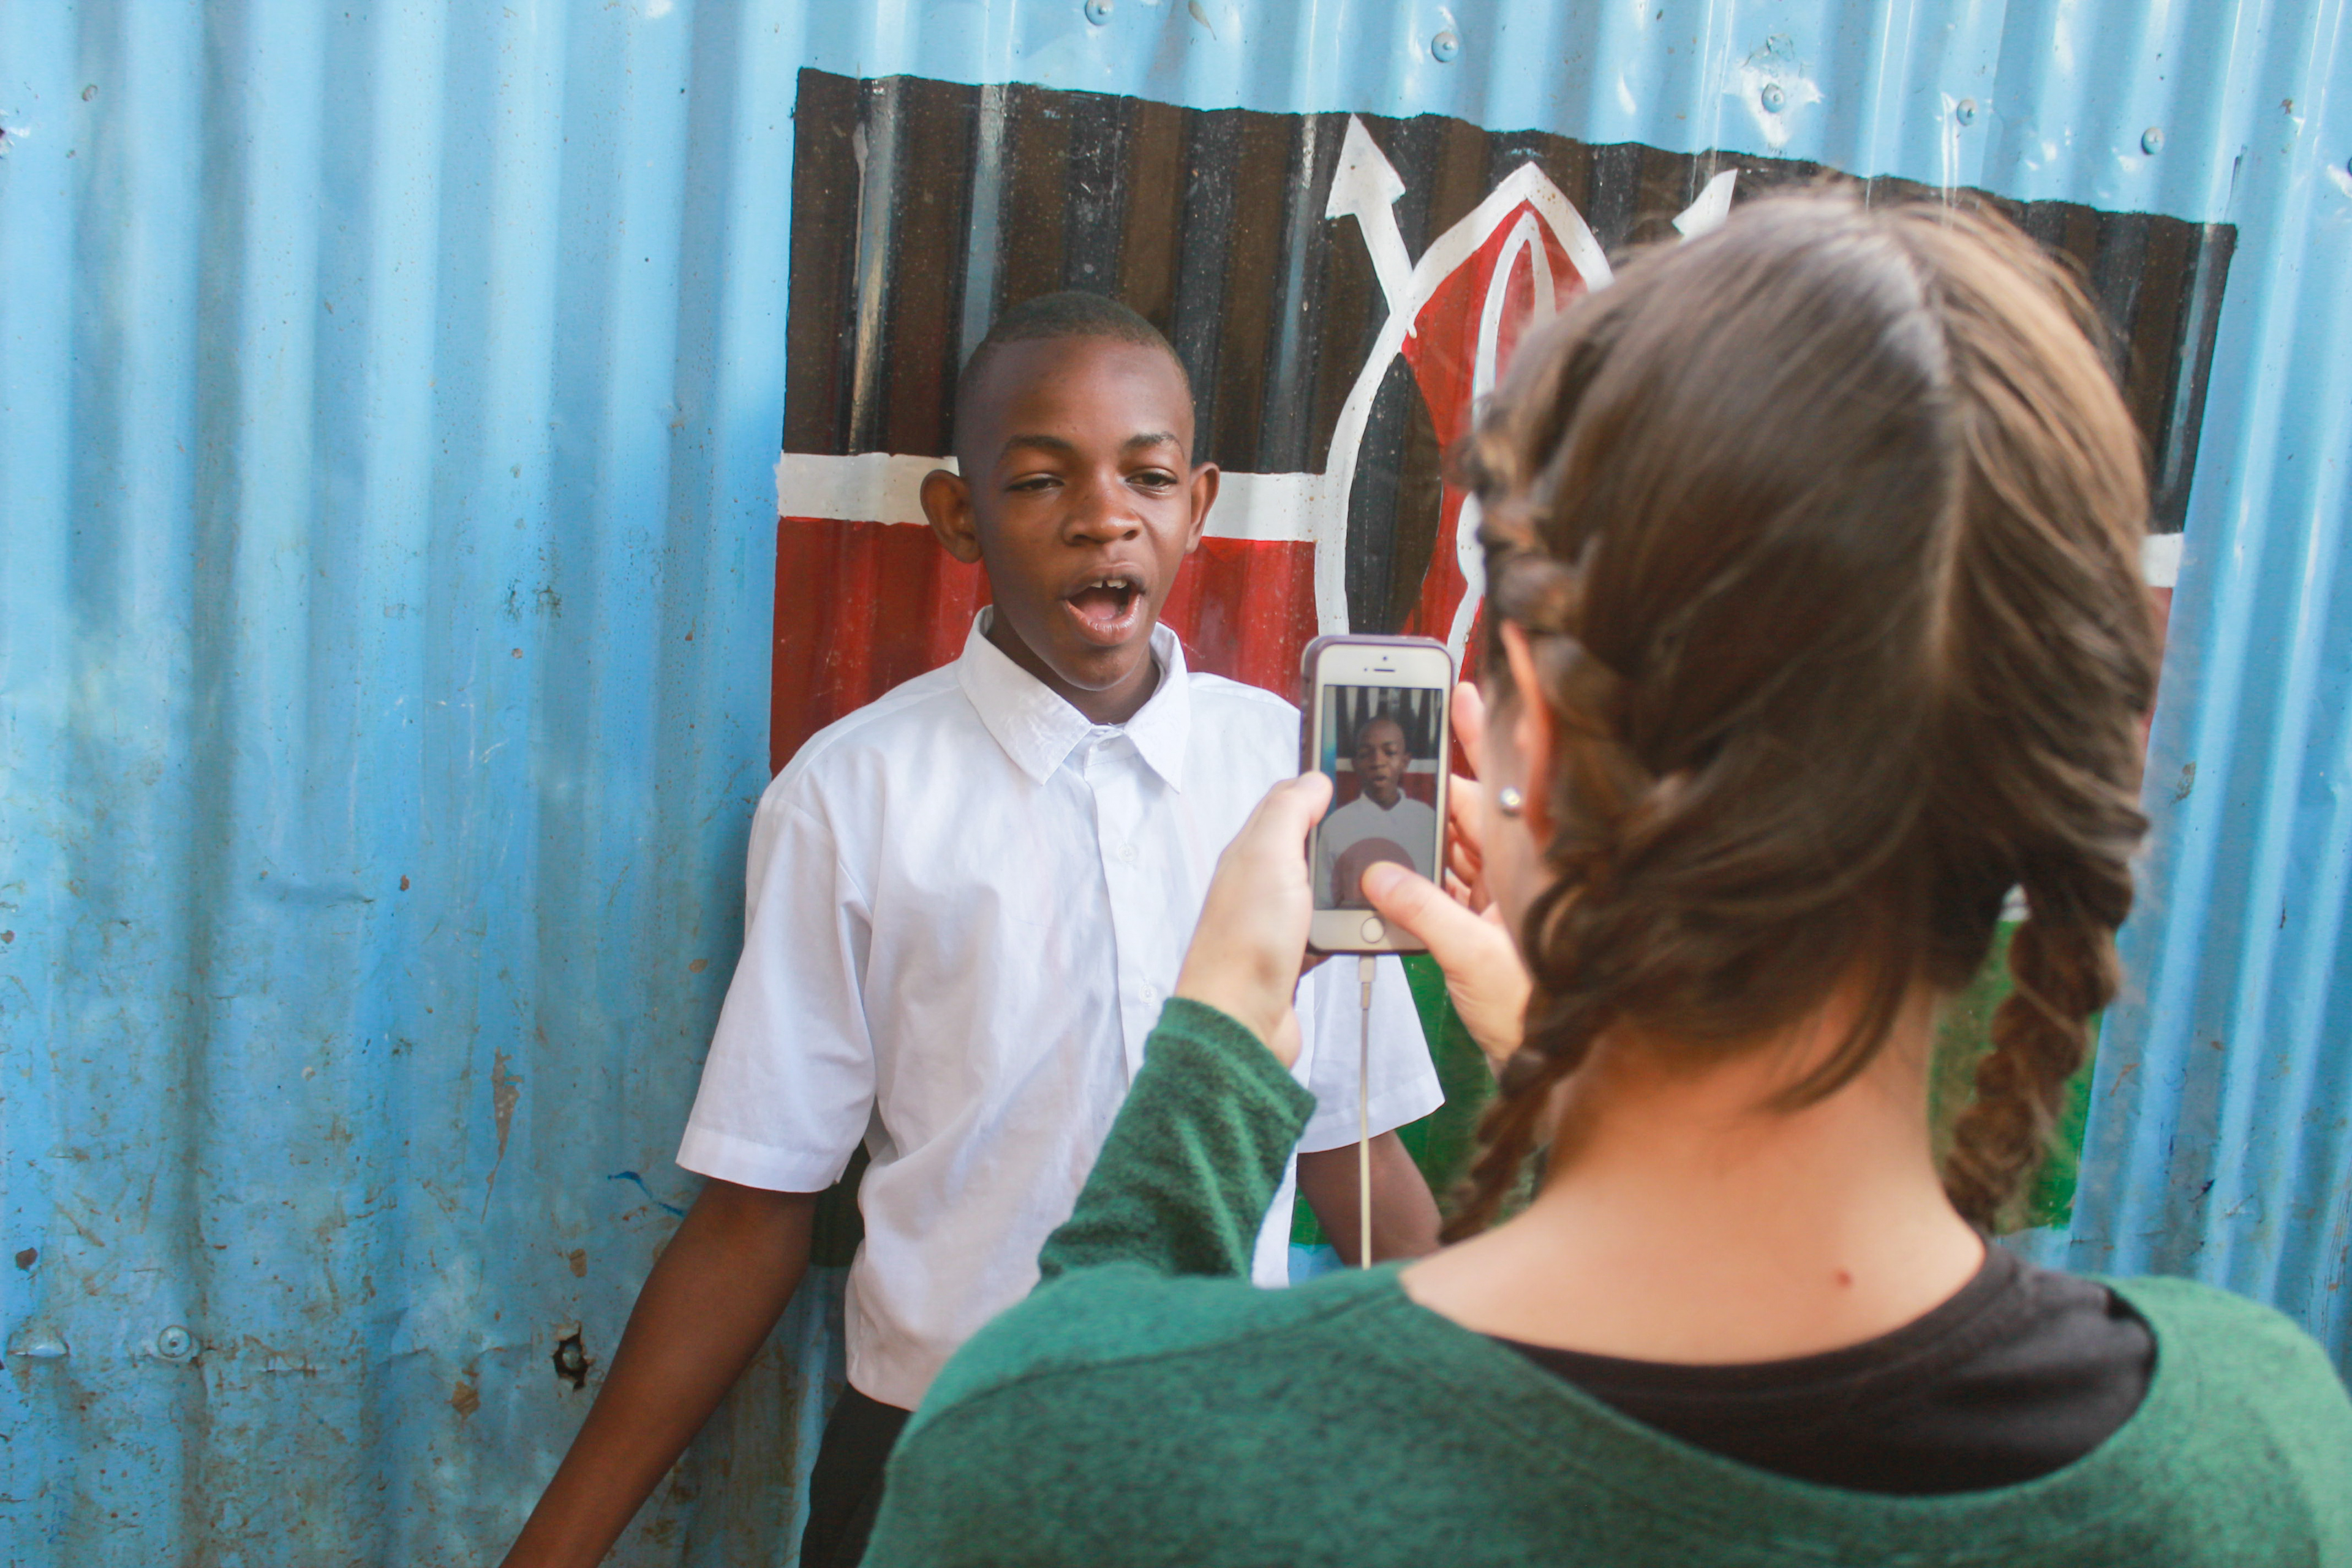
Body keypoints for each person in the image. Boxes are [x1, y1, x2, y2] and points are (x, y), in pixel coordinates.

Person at [859, 194, 2352, 1564]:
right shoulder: (2257, 1446)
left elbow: (1081, 1388)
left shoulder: (1061, 1450)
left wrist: (1217, 1041)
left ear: (1539, 738)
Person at [498, 294, 1443, 1568]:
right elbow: (755, 1210)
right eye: (1042, 477)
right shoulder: (853, 795)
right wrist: (551, 1550)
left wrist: (1495, 1416)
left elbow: (1352, 1151)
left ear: (1199, 504)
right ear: (960, 516)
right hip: (935, 1454)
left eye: (1148, 475)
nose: (1104, 513)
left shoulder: (1287, 774)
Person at [1314, 711, 1441, 906]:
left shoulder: (1428, 821)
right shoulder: (1336, 825)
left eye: (1389, 752)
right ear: (1355, 765)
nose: (1378, 762)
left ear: (1405, 762)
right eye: (1366, 754)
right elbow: (1322, 901)